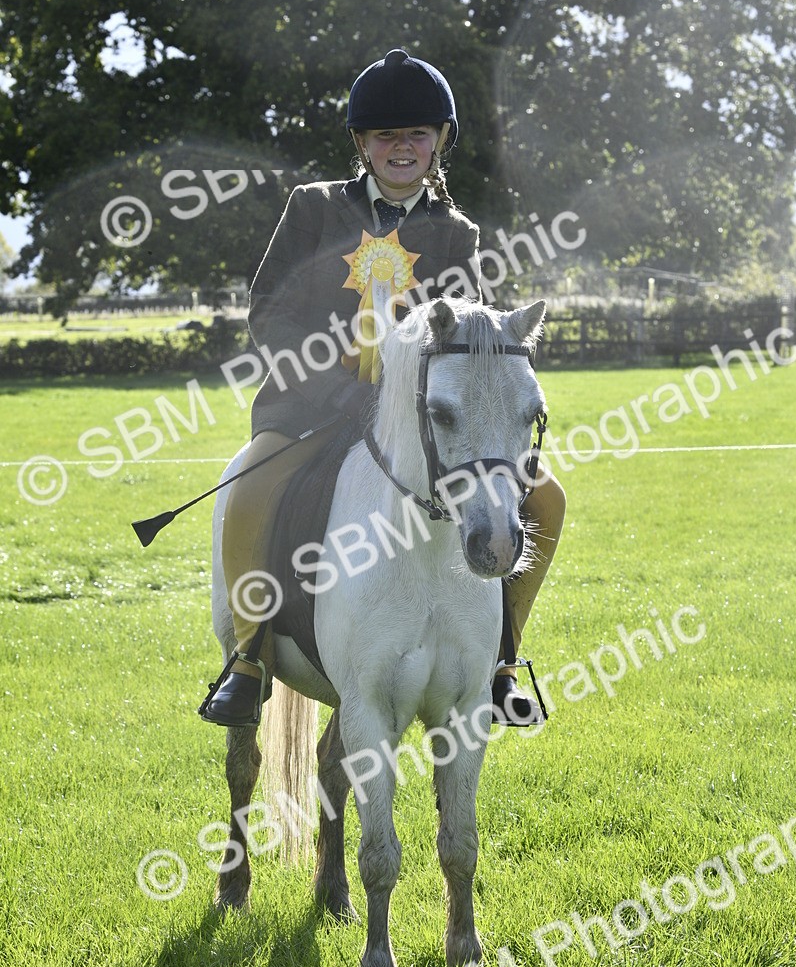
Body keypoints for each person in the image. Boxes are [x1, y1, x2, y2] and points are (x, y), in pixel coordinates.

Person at [202, 48, 566, 727]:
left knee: (546, 494)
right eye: (386, 135)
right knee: (251, 485)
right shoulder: (311, 210)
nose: (403, 146)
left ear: (439, 144)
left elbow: (473, 339)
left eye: (417, 134)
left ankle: (502, 660)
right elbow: (268, 309)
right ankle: (249, 657)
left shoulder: (457, 234)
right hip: (308, 408)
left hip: (421, 422)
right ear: (363, 144)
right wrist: (328, 377)